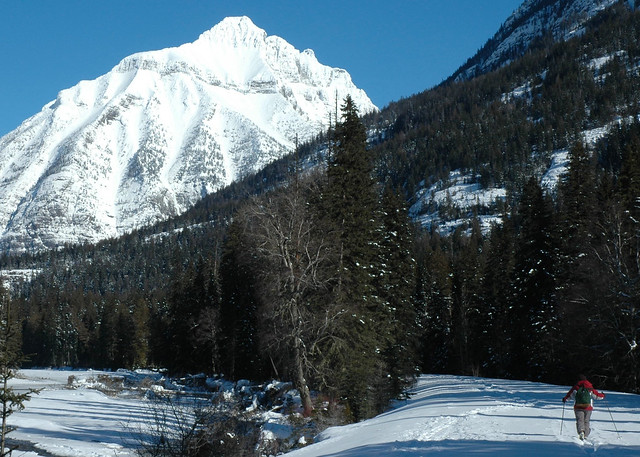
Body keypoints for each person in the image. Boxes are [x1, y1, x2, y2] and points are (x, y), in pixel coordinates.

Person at [562, 374, 605, 440]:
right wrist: (603, 395)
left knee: (580, 420)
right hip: (588, 407)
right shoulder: (589, 387)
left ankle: (581, 431)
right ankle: (586, 435)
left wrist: (565, 399)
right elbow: (596, 396)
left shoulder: (576, 387)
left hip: (578, 407)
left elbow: (570, 396)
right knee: (586, 421)